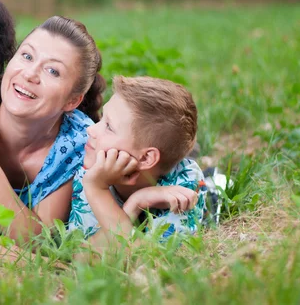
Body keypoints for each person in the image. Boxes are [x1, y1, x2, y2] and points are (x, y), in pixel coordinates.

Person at [0, 16, 107, 242]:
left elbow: (34, 241)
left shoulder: (79, 143)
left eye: (52, 71)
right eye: (27, 56)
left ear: (72, 101)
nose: (29, 74)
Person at [68, 76, 206, 247]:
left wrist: (98, 191)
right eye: (102, 119)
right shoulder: (92, 174)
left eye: (109, 127)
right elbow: (82, 257)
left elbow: (148, 261)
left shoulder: (183, 183)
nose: (91, 129)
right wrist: (135, 204)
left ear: (146, 158)